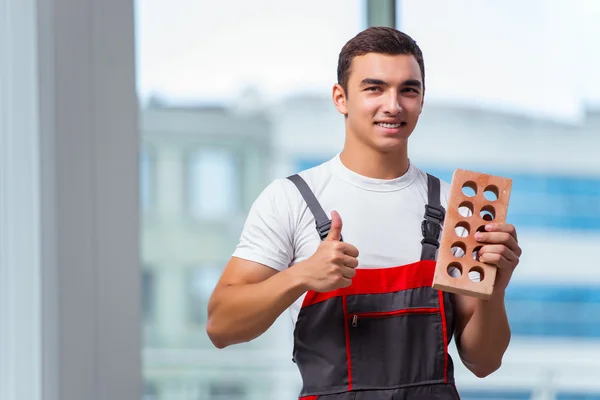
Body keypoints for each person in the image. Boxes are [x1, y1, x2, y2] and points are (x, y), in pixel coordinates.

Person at [206, 26, 522, 400]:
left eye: (408, 89)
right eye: (374, 88)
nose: (393, 105)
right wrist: (301, 276)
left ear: (421, 100)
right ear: (341, 98)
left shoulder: (454, 206)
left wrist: (494, 288)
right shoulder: (290, 200)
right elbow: (221, 327)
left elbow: (483, 362)